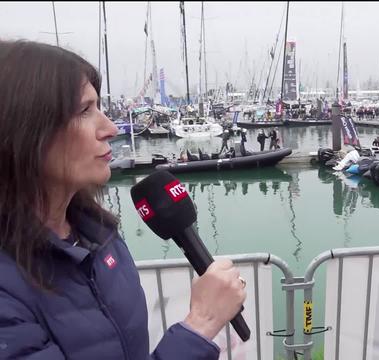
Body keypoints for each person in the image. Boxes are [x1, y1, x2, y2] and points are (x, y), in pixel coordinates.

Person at [0, 40, 247, 359]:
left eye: (100, 107)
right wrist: (201, 324)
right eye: (85, 110)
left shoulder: (100, 235)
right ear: (25, 130)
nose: (111, 128)